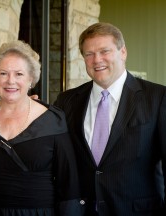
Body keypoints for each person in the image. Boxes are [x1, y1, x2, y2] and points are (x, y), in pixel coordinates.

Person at [0, 40, 85, 216]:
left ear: (31, 79)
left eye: (19, 74)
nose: (10, 81)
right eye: (3, 73)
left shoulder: (53, 121)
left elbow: (68, 185)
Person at [54, 22, 166, 215]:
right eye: (89, 54)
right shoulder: (67, 100)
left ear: (123, 52)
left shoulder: (157, 97)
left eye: (104, 51)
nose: (97, 60)